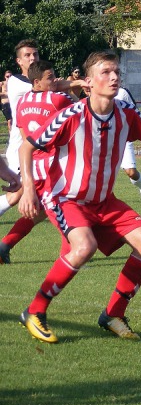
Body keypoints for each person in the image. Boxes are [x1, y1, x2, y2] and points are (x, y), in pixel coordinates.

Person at [17, 51, 141, 343]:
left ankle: (113, 314)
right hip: (66, 198)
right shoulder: (71, 115)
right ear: (89, 82)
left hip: (105, 201)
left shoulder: (126, 113)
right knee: (84, 247)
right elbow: (27, 148)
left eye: (116, 71)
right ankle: (35, 310)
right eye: (106, 72)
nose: (114, 77)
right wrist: (29, 187)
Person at [0, 61, 74, 264]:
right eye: (50, 77)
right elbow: (82, 111)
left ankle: (4, 245)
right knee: (65, 208)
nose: (55, 81)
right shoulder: (58, 99)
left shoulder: (22, 102)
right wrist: (74, 86)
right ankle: (69, 255)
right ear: (37, 82)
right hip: (54, 164)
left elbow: (24, 134)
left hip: (33, 162)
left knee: (39, 212)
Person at [1, 40, 84, 219]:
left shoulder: (43, 83)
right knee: (20, 192)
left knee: (44, 191)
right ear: (18, 61)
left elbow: (52, 87)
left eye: (35, 54)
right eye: (27, 55)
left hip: (41, 149)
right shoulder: (15, 82)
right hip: (21, 147)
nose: (32, 58)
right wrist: (78, 83)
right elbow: (53, 87)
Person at [115, 85, 141, 204]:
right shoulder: (92, 91)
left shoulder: (122, 92)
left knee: (131, 172)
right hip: (101, 141)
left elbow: (135, 114)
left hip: (123, 139)